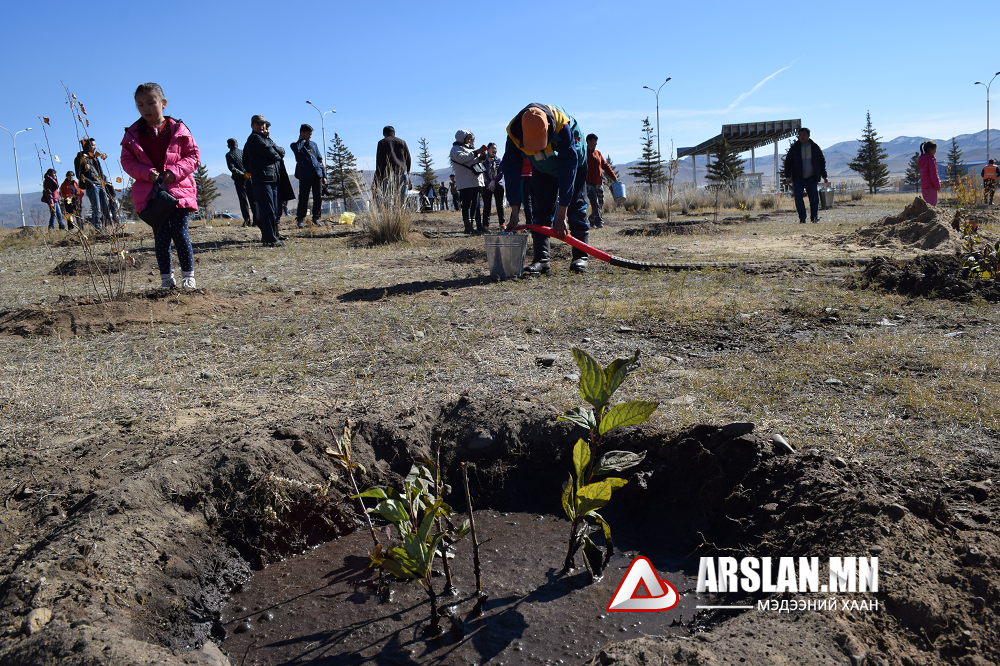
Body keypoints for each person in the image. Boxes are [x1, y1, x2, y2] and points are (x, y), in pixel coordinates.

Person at [120, 82, 201, 289]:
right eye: (140, 105)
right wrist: (147, 174)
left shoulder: (179, 129)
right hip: (151, 196)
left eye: (150, 102)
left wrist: (174, 172)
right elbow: (127, 162)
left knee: (181, 235)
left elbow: (193, 156)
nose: (145, 108)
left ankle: (188, 277)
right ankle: (166, 279)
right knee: (161, 237)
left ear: (163, 103)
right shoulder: (132, 134)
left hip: (179, 192)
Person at [501, 103, 590, 273]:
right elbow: (511, 172)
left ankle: (580, 257)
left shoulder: (563, 126)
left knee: (576, 206)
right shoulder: (513, 134)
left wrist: (561, 214)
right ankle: (541, 260)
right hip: (542, 167)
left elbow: (568, 167)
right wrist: (514, 211)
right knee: (541, 209)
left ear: (549, 128)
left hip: (574, 166)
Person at [243, 115, 285, 246]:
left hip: (272, 178)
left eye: (262, 124)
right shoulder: (254, 139)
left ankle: (271, 237)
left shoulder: (266, 139)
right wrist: (275, 153)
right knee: (267, 210)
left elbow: (281, 151)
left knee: (272, 210)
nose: (261, 126)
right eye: (257, 124)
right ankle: (269, 240)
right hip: (262, 179)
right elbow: (271, 152)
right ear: (252, 125)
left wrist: (274, 152)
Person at [782, 127, 828, 223]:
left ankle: (814, 218)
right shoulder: (794, 148)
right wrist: (788, 177)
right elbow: (788, 163)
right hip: (798, 178)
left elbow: (821, 162)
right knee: (798, 198)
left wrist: (824, 176)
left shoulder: (815, 147)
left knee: (814, 199)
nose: (802, 137)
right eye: (800, 135)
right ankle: (802, 218)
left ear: (808, 135)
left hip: (811, 178)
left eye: (804, 134)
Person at [451, 130, 487, 233]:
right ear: (462, 138)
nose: (469, 140)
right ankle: (468, 227)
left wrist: (482, 156)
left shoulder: (470, 149)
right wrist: (476, 152)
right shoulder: (455, 149)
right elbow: (463, 158)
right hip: (465, 181)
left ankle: (472, 225)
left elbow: (475, 161)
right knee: (467, 204)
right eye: (468, 138)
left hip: (475, 180)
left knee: (474, 204)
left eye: (470, 138)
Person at [291, 123, 326, 228]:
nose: (310, 136)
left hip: (317, 174)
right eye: (308, 133)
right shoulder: (296, 145)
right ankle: (300, 219)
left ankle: (316, 217)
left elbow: (320, 160)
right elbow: (296, 149)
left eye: (311, 134)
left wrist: (323, 175)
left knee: (318, 197)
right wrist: (302, 140)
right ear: (302, 133)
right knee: (303, 197)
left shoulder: (314, 144)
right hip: (305, 175)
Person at [75, 137, 110, 231]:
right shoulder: (80, 157)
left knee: (106, 207)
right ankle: (97, 228)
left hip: (100, 184)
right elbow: (79, 174)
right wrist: (91, 184)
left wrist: (103, 182)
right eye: (92, 145)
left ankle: (105, 227)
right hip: (92, 186)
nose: (95, 147)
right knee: (96, 208)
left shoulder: (93, 157)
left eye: (95, 145)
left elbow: (100, 170)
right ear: (86, 146)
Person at [585, 134, 618, 229]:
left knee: (600, 202)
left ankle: (591, 219)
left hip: (599, 182)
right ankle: (599, 222)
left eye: (596, 141)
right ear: (588, 141)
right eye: (594, 141)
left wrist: (613, 176)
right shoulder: (584, 153)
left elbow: (605, 165)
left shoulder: (598, 153)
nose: (596, 143)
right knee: (594, 202)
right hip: (588, 182)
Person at [374, 126, 411, 204]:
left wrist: (379, 177)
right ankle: (402, 215)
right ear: (394, 133)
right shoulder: (402, 142)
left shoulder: (382, 143)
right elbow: (408, 159)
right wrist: (406, 172)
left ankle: (391, 215)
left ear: (384, 134)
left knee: (389, 199)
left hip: (388, 174)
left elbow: (379, 161)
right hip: (402, 172)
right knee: (403, 199)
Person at [226, 138, 254, 226]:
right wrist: (248, 173)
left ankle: (247, 220)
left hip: (239, 179)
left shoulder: (229, 154)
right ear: (237, 144)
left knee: (243, 201)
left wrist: (242, 174)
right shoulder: (243, 152)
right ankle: (257, 220)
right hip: (249, 177)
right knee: (252, 199)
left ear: (228, 146)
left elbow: (232, 168)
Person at [481, 142, 505, 229]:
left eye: (495, 148)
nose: (494, 150)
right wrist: (489, 183)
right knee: (487, 205)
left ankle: (502, 223)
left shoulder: (499, 160)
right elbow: (484, 173)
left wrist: (494, 181)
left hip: (498, 185)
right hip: (487, 185)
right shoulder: (484, 162)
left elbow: (501, 172)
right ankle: (485, 225)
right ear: (488, 150)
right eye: (492, 148)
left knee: (500, 205)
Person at [918, 141, 941, 206]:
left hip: (924, 186)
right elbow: (933, 174)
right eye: (935, 149)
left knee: (927, 205)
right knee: (932, 204)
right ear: (930, 150)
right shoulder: (931, 160)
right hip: (931, 186)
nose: (935, 151)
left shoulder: (922, 160)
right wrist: (937, 185)